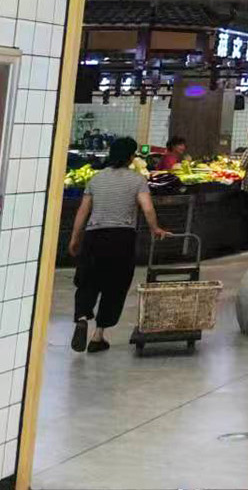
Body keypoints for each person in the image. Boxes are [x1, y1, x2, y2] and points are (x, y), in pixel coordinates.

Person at [68, 137, 169, 353]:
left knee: (87, 281)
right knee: (115, 286)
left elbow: (83, 211)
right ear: (131, 157)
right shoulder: (137, 180)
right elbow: (147, 208)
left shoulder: (96, 179)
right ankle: (98, 336)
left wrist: (75, 238)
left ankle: (82, 317)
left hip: (94, 236)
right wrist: (155, 228)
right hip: (121, 238)